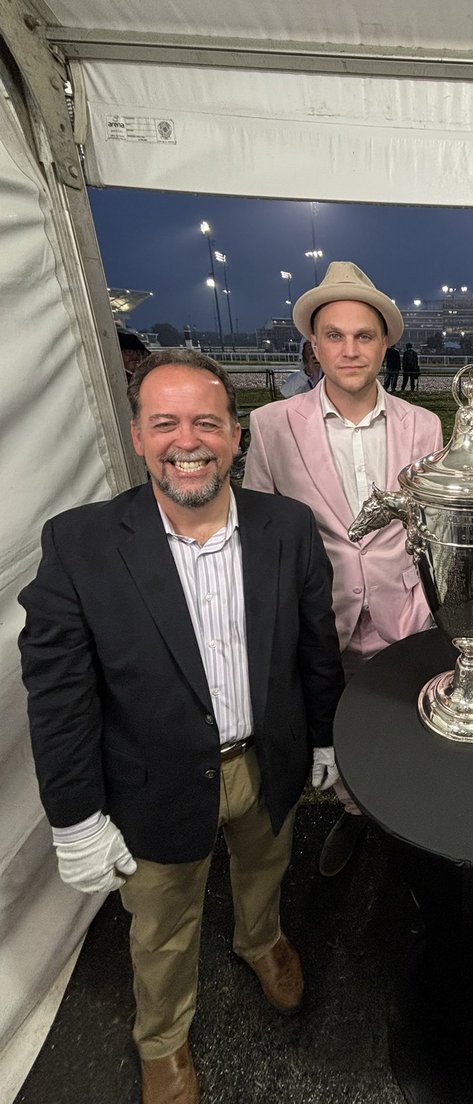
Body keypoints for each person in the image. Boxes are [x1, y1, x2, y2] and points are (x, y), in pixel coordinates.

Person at [19, 350, 344, 1104]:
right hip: (151, 784)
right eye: (164, 422)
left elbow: (316, 646)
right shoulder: (79, 545)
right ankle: (162, 1039)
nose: (186, 440)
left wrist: (324, 736)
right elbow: (58, 695)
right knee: (161, 927)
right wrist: (74, 818)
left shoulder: (288, 528)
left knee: (265, 872)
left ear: (237, 436)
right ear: (137, 438)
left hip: (267, 763)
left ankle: (259, 940)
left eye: (207, 421)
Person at [244, 261, 443, 877]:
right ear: (314, 344)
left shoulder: (425, 424)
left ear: (386, 343)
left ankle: (409, 827)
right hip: (321, 620)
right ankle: (354, 816)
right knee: (336, 727)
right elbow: (261, 533)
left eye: (364, 336)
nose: (349, 349)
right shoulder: (272, 425)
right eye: (334, 335)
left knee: (407, 723)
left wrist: (433, 608)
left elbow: (432, 531)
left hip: (404, 612)